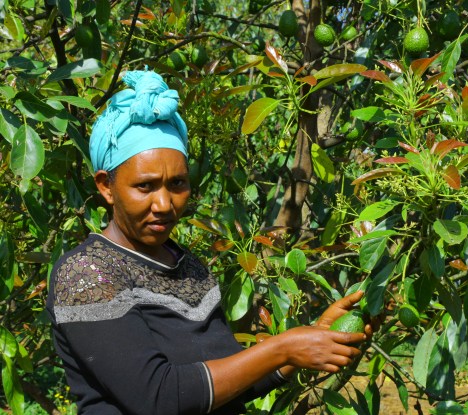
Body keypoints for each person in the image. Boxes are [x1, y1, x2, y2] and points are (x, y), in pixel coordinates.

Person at [45, 70, 370, 415]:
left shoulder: (187, 265)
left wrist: (312, 339)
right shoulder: (86, 274)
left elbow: (226, 381)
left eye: (178, 183)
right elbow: (158, 398)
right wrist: (282, 348)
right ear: (106, 186)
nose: (165, 204)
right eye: (145, 186)